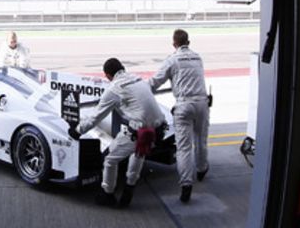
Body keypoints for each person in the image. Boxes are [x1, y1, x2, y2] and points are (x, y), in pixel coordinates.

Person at [70, 58, 164, 209]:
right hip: (158, 130)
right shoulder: (138, 79)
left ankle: (108, 194)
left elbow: (96, 116)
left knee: (109, 159)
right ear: (123, 68)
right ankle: (129, 189)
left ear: (107, 75)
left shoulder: (114, 89)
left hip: (139, 131)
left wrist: (77, 131)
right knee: (139, 152)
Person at [149, 29, 211, 203]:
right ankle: (201, 169)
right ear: (188, 42)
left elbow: (154, 83)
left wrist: (140, 90)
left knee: (183, 148)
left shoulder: (172, 60)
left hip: (184, 105)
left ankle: (186, 185)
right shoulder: (198, 57)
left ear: (174, 44)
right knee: (201, 140)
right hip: (202, 103)